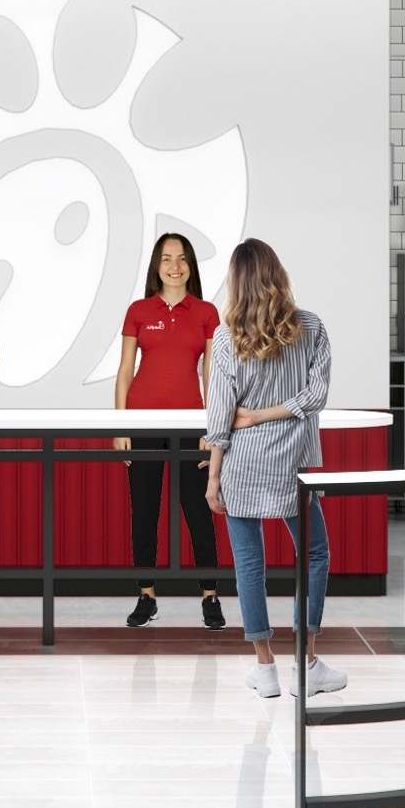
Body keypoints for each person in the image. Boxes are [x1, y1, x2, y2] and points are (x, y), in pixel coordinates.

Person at [204, 238, 345, 698]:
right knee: (314, 554)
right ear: (277, 274)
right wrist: (273, 414)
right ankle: (307, 663)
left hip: (241, 463)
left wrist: (213, 476)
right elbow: (315, 397)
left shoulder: (225, 337)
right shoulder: (311, 327)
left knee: (249, 563)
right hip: (291, 465)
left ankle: (265, 669)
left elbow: (220, 416)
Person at [113, 233, 225, 630]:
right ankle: (146, 595)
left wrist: (211, 427)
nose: (174, 266)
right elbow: (125, 370)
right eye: (166, 258)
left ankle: (210, 596)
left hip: (191, 426)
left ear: (190, 265)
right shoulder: (138, 310)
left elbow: (213, 375)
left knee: (198, 510)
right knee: (144, 510)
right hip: (142, 422)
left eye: (181, 259)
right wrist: (121, 425)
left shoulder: (207, 312)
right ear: (156, 267)